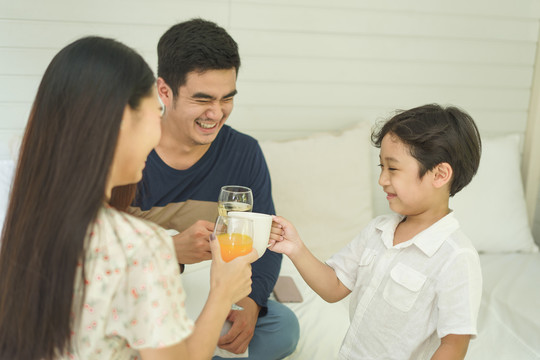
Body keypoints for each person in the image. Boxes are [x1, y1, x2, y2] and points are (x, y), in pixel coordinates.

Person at [0, 36, 257, 360]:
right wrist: (223, 292)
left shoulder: (29, 220)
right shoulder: (136, 246)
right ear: (122, 121)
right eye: (155, 112)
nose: (158, 131)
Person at [114, 18, 299, 359]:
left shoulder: (244, 152)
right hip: (142, 293)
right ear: (164, 91)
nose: (216, 113)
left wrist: (251, 300)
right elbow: (95, 253)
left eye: (227, 98)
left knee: (283, 328)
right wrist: (171, 250)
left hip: (210, 292)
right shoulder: (128, 152)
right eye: (202, 100)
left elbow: (266, 237)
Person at [270, 104, 483, 359]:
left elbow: (453, 346)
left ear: (439, 174)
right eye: (381, 167)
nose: (382, 179)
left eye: (392, 168)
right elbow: (334, 286)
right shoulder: (378, 230)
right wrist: (296, 248)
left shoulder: (457, 257)